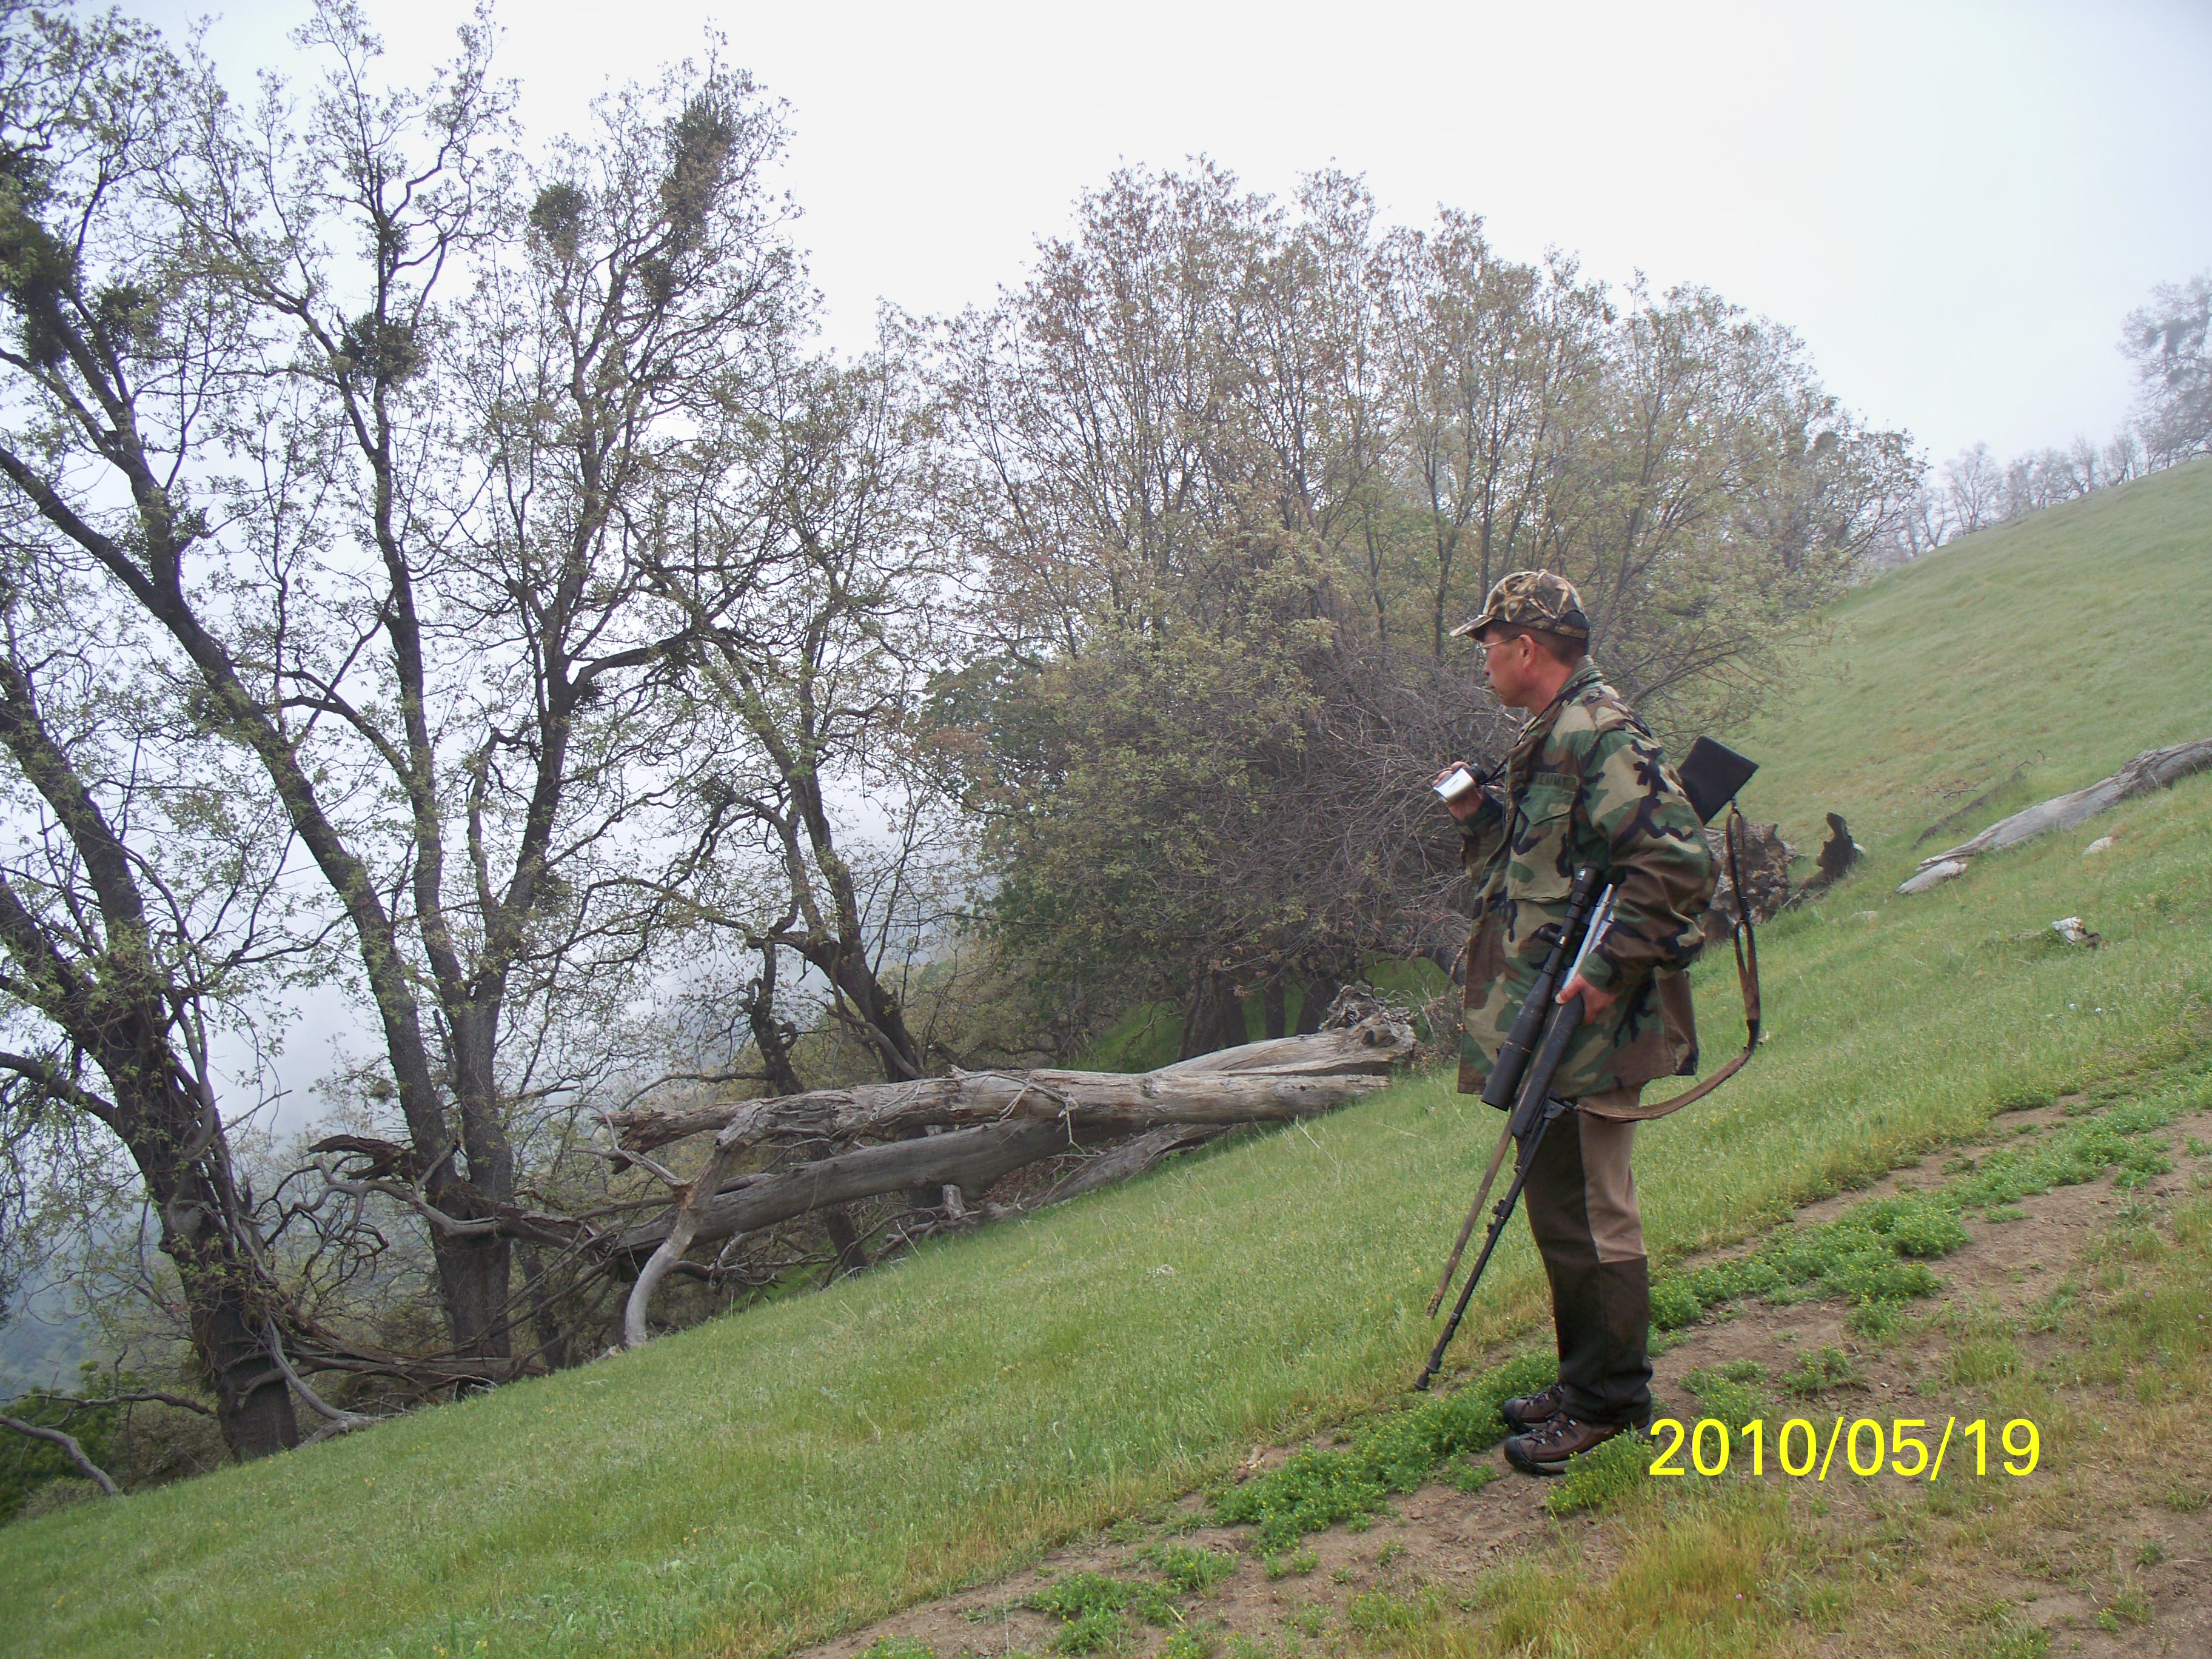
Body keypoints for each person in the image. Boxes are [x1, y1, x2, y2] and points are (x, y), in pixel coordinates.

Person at [1439, 570, 1716, 1476]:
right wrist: (1483, 816)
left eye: (1490, 642)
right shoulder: (1553, 735)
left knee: (1595, 1215)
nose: (1483, 658)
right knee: (1561, 1210)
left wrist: (1603, 971)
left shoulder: (1599, 735)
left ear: (1528, 648)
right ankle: (1584, 1380)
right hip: (1548, 1020)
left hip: (1591, 1026)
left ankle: (1611, 1403)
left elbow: (1678, 863)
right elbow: (1541, 870)